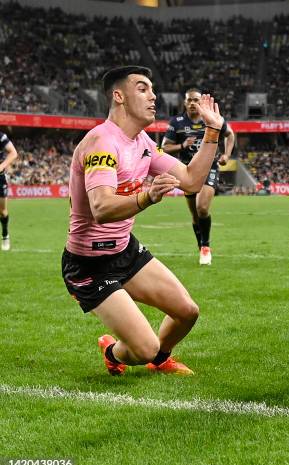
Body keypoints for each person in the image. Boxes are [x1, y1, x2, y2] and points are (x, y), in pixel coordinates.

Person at [61, 65, 224, 376]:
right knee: (142, 348)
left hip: (125, 251)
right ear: (119, 96)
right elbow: (101, 207)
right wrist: (147, 197)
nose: (154, 96)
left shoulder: (143, 143)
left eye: (152, 89)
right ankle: (113, 351)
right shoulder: (102, 142)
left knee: (187, 312)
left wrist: (212, 133)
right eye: (143, 88)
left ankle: (159, 360)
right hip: (89, 264)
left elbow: (190, 181)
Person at [162, 87, 235, 265]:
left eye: (196, 100)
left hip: (209, 167)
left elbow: (230, 134)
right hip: (187, 171)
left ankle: (206, 246)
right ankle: (200, 246)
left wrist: (226, 154)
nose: (193, 103)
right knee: (195, 215)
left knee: (202, 207)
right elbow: (164, 147)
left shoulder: (210, 117)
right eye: (189, 100)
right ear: (185, 103)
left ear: (201, 102)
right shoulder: (177, 122)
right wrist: (182, 146)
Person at [0, 131, 19, 251]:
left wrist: (1, 166)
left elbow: (13, 152)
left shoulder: (0, 136)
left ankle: (5, 235)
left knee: (2, 211)